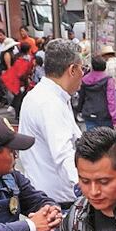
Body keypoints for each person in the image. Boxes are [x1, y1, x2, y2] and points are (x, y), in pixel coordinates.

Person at [18, 39, 83, 210]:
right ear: (72, 70)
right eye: (82, 68)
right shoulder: (49, 103)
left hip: (49, 199)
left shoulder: (46, 96)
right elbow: (64, 154)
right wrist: (85, 187)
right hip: (60, 205)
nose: (83, 74)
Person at [79, 56, 116, 131]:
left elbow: (81, 97)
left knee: (92, 139)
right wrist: (115, 118)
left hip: (89, 113)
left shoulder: (84, 80)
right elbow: (111, 100)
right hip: (105, 115)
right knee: (107, 140)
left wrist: (79, 110)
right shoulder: (108, 80)